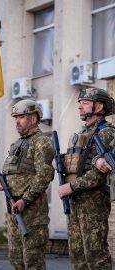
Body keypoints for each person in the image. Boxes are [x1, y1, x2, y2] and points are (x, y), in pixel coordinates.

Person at [55, 88, 115, 270]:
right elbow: (80, 162)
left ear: (99, 107)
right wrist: (61, 161)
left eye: (85, 102)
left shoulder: (106, 133)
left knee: (95, 257)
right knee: (78, 257)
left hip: (93, 201)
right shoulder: (82, 133)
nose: (80, 106)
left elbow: (98, 174)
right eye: (80, 102)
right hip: (75, 201)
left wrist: (70, 187)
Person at [0, 99, 54, 270]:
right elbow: (10, 172)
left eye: (21, 117)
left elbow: (44, 176)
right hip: (14, 213)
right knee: (16, 261)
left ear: (34, 119)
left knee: (33, 263)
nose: (17, 121)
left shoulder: (42, 142)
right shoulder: (17, 144)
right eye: (16, 117)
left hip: (32, 215)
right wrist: (1, 181)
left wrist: (25, 200)